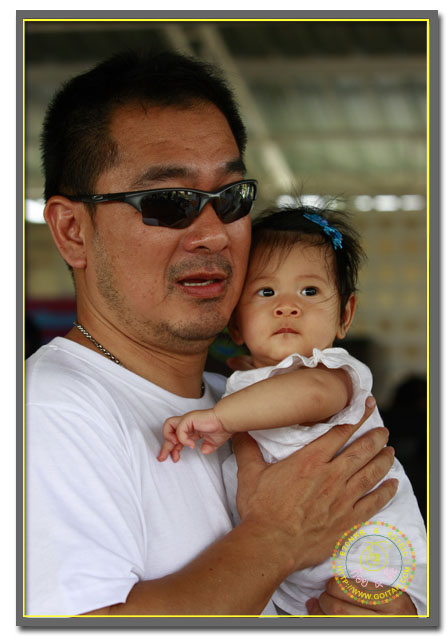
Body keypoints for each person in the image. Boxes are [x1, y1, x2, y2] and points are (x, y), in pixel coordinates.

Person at [26, 50, 412, 617]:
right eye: (168, 202)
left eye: (231, 198)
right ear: (72, 231)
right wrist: (277, 537)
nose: (213, 234)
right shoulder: (50, 410)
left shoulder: (238, 397)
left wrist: (388, 616)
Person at [158, 206, 427, 615]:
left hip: (375, 561)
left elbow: (308, 395)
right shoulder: (253, 382)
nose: (287, 306)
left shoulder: (333, 373)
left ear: (345, 315)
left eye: (310, 291)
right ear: (236, 324)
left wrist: (221, 418)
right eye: (266, 292)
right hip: (304, 579)